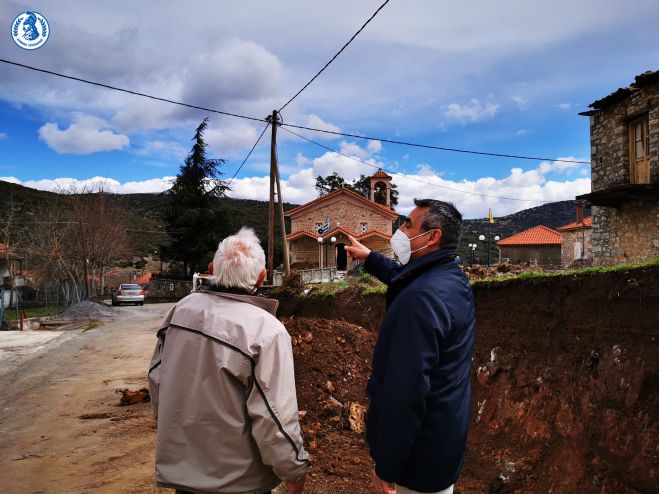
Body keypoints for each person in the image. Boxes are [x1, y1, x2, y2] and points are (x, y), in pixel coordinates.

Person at [148, 227, 310, 494]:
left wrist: (169, 423)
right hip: (239, 483)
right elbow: (273, 415)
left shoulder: (180, 311)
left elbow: (157, 377)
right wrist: (293, 468)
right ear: (262, 277)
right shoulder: (266, 331)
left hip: (184, 476)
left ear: (212, 268)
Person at [345, 199, 475, 494]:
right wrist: (370, 257)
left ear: (433, 236)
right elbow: (405, 277)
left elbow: (406, 393)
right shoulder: (449, 277)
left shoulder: (422, 299)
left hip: (417, 457)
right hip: (441, 441)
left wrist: (387, 468)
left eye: (407, 224)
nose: (399, 230)